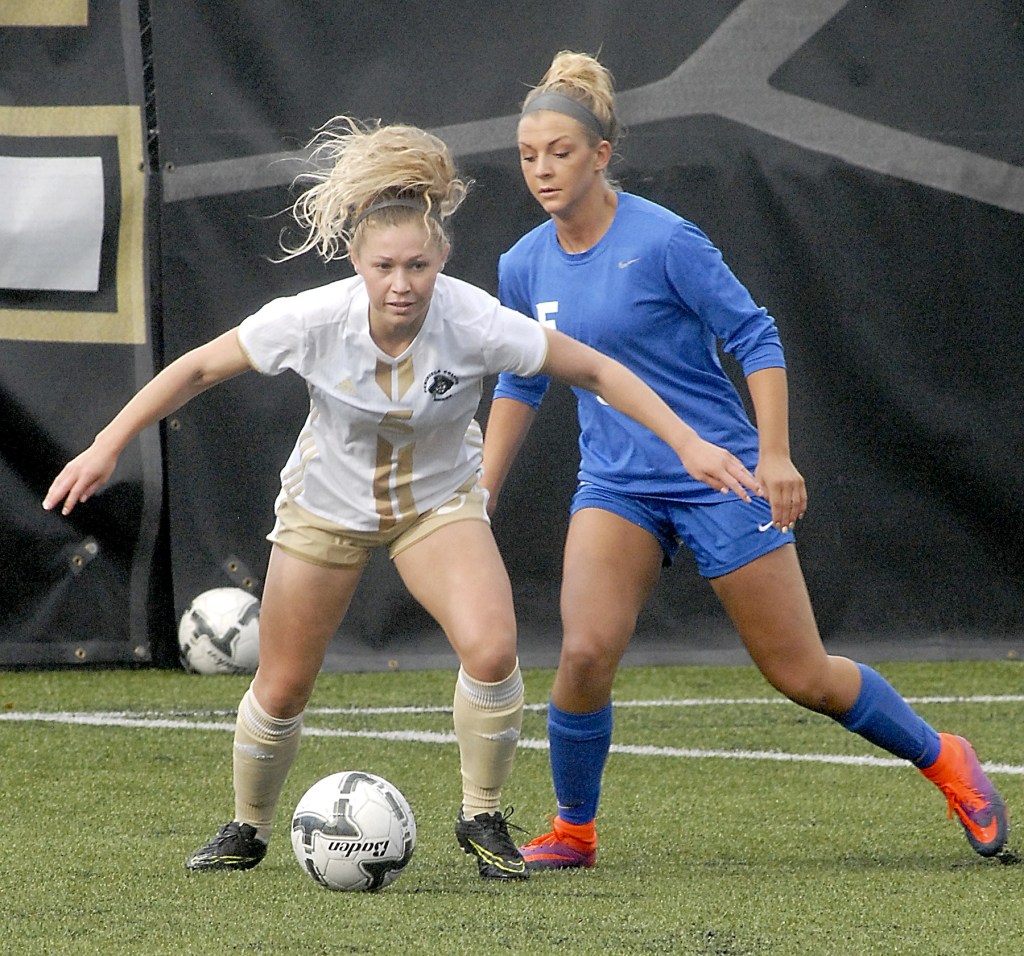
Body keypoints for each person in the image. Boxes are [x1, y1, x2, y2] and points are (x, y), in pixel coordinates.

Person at [43, 116, 760, 881]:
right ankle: (247, 827)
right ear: (356, 260)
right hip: (325, 508)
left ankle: (482, 816)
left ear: (442, 261)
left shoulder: (473, 318)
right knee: (281, 685)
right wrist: (106, 444)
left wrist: (689, 442)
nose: (401, 283)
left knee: (491, 648)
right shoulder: (313, 320)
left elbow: (598, 372)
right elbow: (193, 370)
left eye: (418, 265)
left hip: (437, 508)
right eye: (384, 265)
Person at [481, 51, 1009, 870]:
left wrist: (774, 455)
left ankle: (946, 759)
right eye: (527, 155)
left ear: (601, 155)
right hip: (615, 484)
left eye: (560, 151)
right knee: (583, 653)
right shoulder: (522, 264)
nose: (542, 169)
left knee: (801, 674)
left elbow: (755, 336)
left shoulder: (666, 241)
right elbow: (525, 378)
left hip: (719, 476)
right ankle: (574, 833)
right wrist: (483, 489)